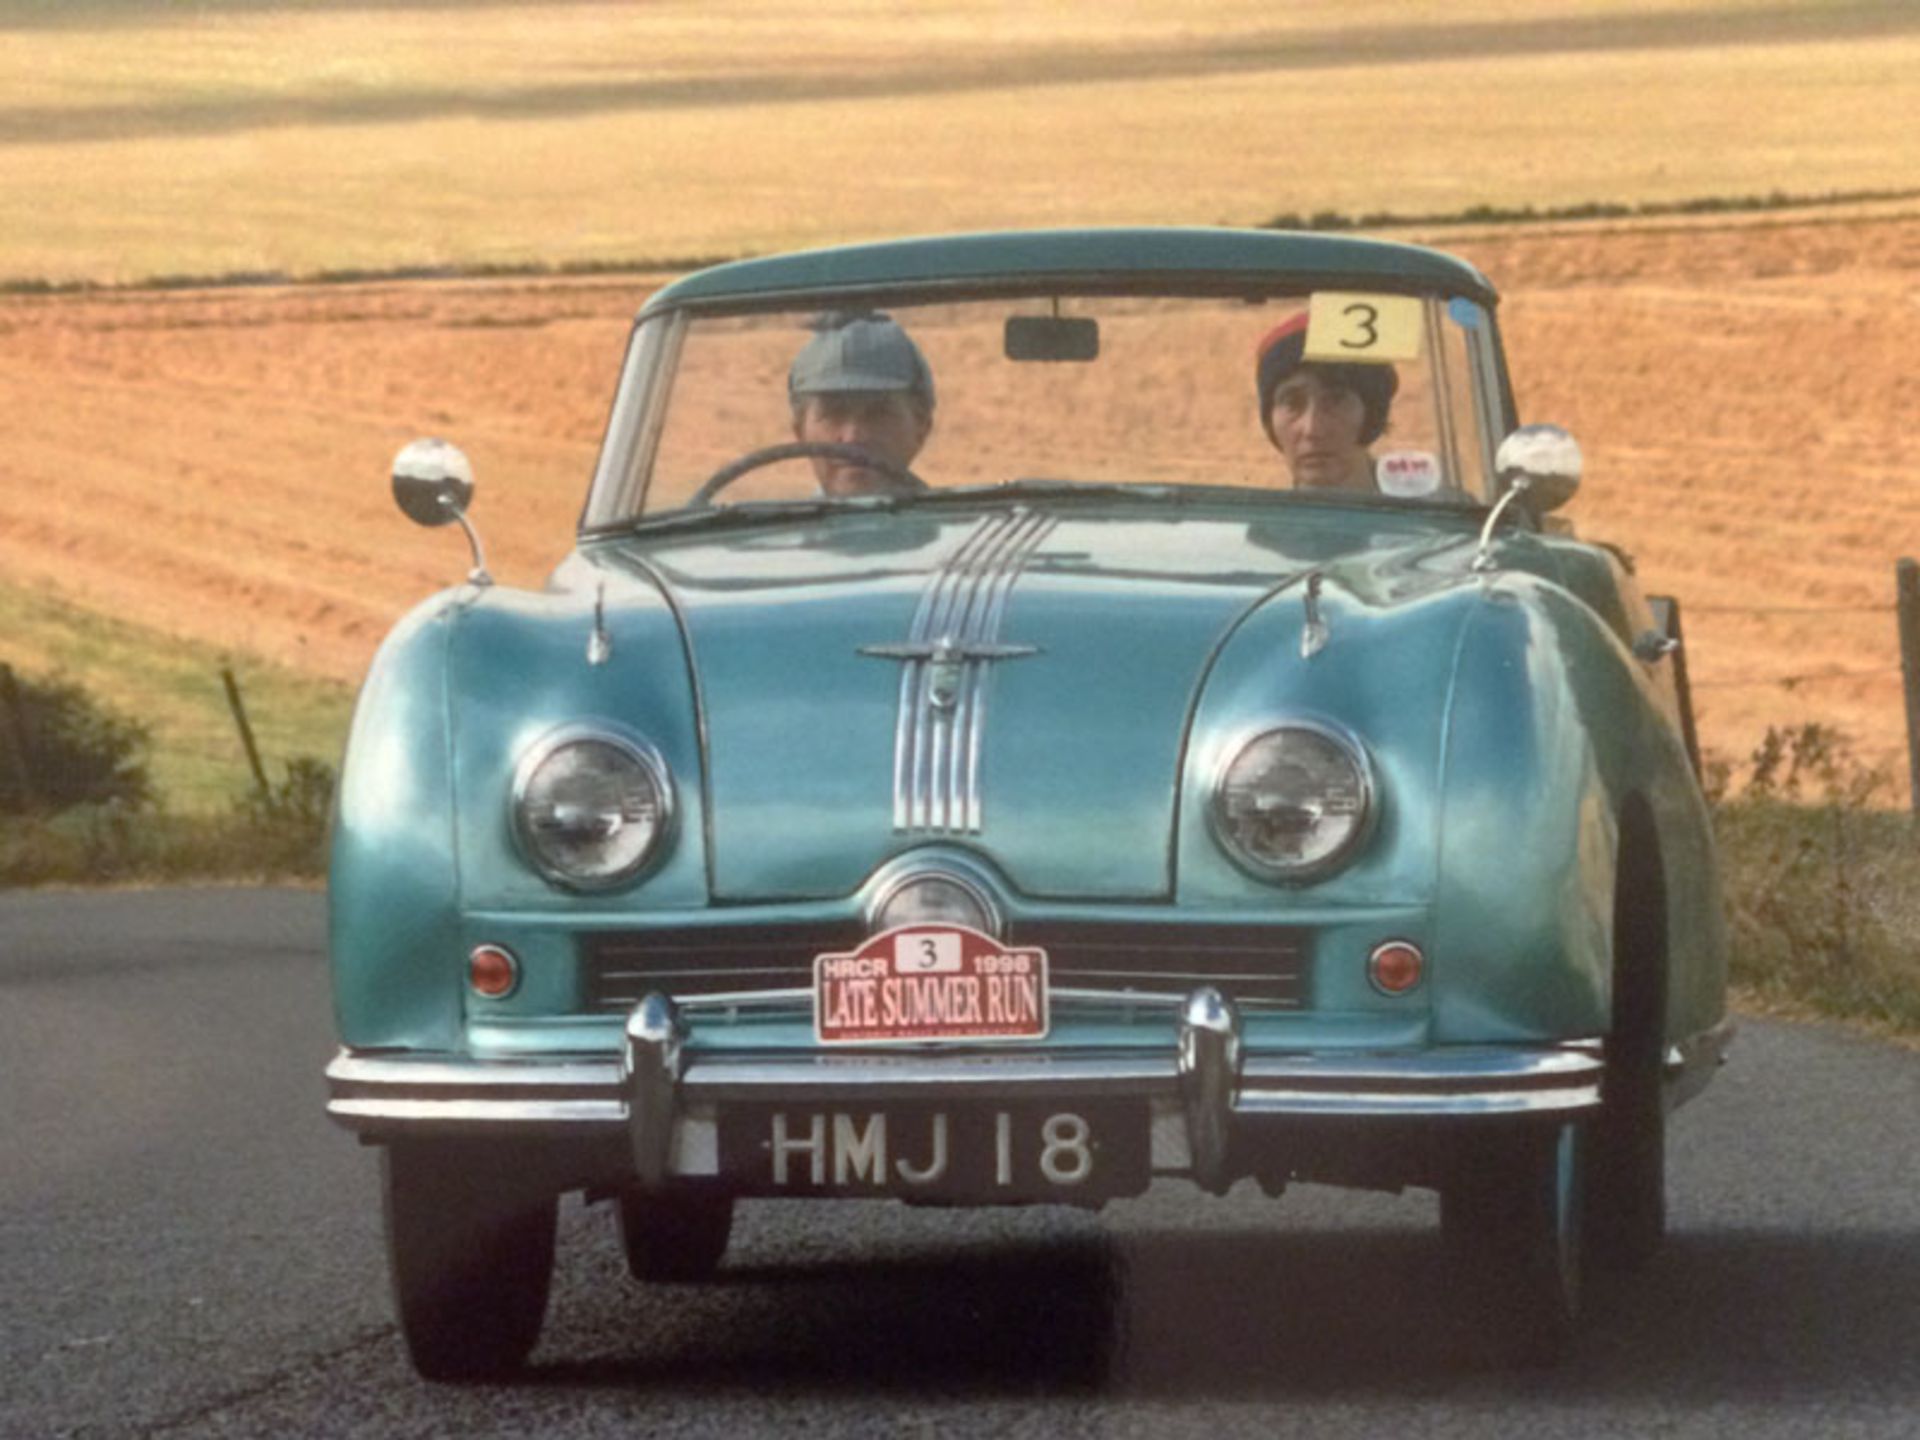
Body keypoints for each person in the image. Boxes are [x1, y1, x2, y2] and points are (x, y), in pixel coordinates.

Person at [788, 312, 935, 497]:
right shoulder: (778, 526)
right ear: (800, 432)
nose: (853, 437)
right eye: (833, 414)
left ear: (921, 426)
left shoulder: (970, 525)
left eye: (879, 413)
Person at [1253, 312, 1398, 492]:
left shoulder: (1433, 513)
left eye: (1335, 401)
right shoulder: (1264, 518)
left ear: (1372, 416)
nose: (1313, 429)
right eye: (1292, 404)